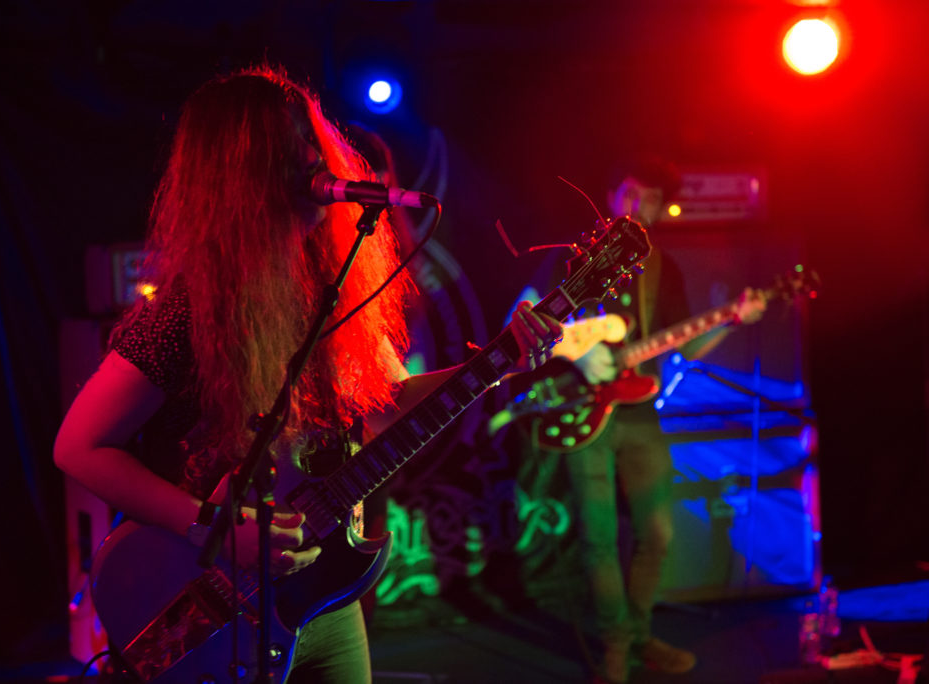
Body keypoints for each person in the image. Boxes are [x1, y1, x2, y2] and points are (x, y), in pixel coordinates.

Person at [52, 65, 563, 683]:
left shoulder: (330, 291)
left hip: (321, 593)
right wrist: (213, 525)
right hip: (212, 600)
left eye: (310, 138)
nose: (313, 158)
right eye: (289, 143)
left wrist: (494, 364)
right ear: (243, 171)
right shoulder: (188, 309)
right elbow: (79, 446)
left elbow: (377, 408)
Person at [506, 157, 766, 683]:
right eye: (629, 193)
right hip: (580, 406)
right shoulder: (573, 255)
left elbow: (679, 344)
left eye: (648, 199)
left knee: (659, 532)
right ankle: (616, 652)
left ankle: (640, 637)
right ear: (611, 195)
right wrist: (578, 355)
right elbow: (523, 312)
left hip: (640, 411)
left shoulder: (661, 266)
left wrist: (732, 320)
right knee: (598, 537)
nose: (637, 206)